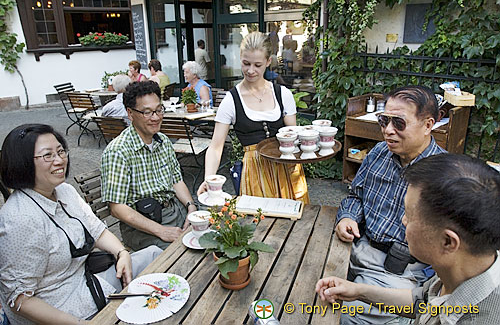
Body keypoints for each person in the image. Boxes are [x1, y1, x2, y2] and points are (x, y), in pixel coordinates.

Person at [0, 124, 162, 325]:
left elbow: (97, 230)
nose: (59, 161)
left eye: (60, 151)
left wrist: (122, 253)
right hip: (62, 311)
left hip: (89, 283)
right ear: (22, 163)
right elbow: (20, 299)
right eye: (47, 155)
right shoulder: (20, 218)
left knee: (155, 255)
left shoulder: (65, 191)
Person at [316, 154, 500, 324]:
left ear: (448, 242)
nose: (403, 221)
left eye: (410, 215)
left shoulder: (480, 318)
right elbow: (421, 301)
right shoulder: (463, 270)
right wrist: (358, 292)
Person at [335, 85, 446, 324]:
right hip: (356, 248)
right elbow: (356, 196)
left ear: (428, 125)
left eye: (399, 123)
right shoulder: (378, 152)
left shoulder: (444, 176)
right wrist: (347, 217)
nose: (388, 131)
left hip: (400, 272)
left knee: (333, 314)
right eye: (383, 120)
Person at [197, 32, 309, 203]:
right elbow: (216, 146)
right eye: (246, 63)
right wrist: (208, 178)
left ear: (268, 62)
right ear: (240, 58)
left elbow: (292, 136)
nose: (250, 70)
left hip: (287, 168)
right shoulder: (231, 100)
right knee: (260, 224)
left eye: (257, 65)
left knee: (296, 222)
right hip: (255, 172)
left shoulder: (282, 94)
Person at [101, 81, 197, 251]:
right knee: (181, 253)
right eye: (147, 112)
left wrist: (191, 207)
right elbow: (117, 208)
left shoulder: (163, 141)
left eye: (159, 110)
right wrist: (161, 231)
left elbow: (176, 181)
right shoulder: (118, 151)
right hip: (143, 225)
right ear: (130, 114)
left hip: (175, 209)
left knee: (210, 234)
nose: (156, 117)